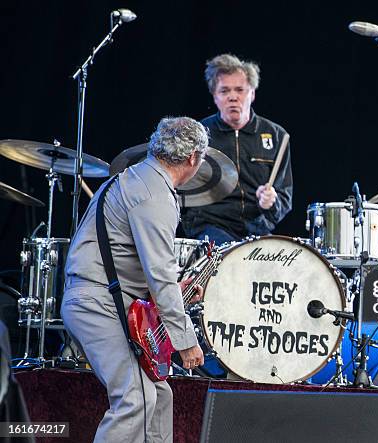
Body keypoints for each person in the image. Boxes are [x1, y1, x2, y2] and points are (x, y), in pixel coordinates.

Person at [61, 117, 208, 442]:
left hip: (95, 299)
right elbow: (160, 276)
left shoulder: (133, 179)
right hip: (96, 305)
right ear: (194, 158)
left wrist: (171, 293)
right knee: (135, 399)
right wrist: (186, 340)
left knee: (159, 398)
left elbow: (128, 261)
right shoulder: (154, 194)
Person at [181, 53, 293, 245]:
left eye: (240, 90)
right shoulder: (198, 135)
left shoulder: (276, 135)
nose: (233, 97)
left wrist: (272, 203)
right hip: (212, 227)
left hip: (257, 229)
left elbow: (285, 195)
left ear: (252, 93)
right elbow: (182, 191)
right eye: (224, 91)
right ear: (214, 96)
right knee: (231, 262)